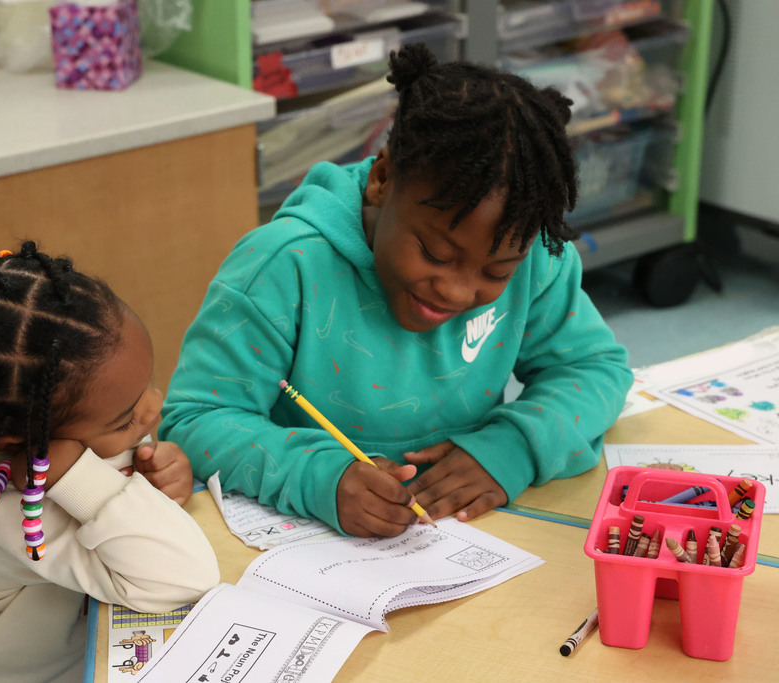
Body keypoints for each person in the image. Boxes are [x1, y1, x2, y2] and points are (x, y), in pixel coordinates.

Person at [160, 44, 634, 539]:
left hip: (468, 534)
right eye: (434, 253)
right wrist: (319, 476)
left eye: (495, 274)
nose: (454, 289)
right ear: (382, 179)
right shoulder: (284, 264)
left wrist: (514, 447)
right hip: (303, 536)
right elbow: (196, 418)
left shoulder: (535, 257)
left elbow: (595, 368)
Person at [0, 242, 219, 682]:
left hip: (50, 647)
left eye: (149, 385)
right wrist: (92, 483)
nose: (155, 408)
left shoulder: (39, 418)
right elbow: (185, 576)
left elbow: (110, 456)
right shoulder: (8, 503)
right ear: (22, 441)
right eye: (127, 419)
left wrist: (151, 470)